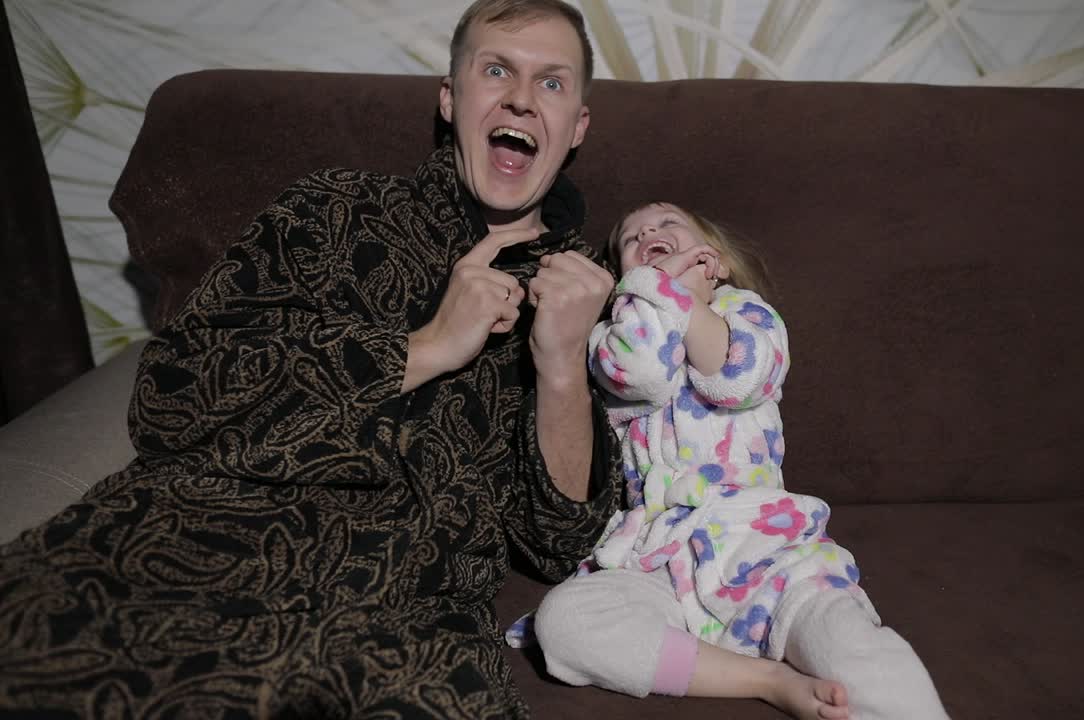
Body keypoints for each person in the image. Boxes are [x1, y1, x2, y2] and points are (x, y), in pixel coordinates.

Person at [0, 1, 621, 717]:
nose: (521, 97)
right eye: (496, 70)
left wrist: (561, 365)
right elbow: (172, 397)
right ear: (451, 99)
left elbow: (559, 543)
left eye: (551, 82)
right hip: (184, 547)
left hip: (396, 622)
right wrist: (421, 348)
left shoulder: (587, 294)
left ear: (577, 126)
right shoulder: (331, 211)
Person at [527, 202, 951, 720]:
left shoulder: (748, 315)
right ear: (623, 281)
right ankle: (767, 679)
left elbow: (736, 379)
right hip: (659, 553)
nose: (649, 232)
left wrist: (683, 299)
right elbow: (641, 376)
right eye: (631, 240)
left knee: (845, 640)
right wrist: (650, 292)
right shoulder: (612, 337)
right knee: (566, 623)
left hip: (763, 545)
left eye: (668, 224)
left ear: (717, 261)